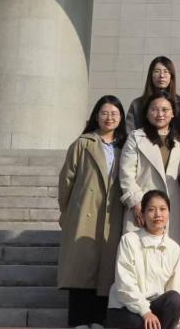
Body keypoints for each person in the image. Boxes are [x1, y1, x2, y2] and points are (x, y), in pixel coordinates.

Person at [57, 96, 128, 329]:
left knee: (106, 270)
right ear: (96, 115)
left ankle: (98, 319)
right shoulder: (83, 143)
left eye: (114, 113)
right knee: (81, 268)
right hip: (84, 212)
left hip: (112, 214)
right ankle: (79, 320)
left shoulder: (125, 146)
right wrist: (66, 211)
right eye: (104, 113)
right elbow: (66, 179)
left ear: (121, 118)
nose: (109, 118)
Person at [118, 94, 180, 264]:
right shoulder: (136, 137)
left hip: (171, 209)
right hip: (142, 208)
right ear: (147, 113)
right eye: (154, 109)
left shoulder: (179, 142)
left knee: (167, 261)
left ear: (173, 113)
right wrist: (136, 203)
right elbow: (126, 173)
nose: (160, 114)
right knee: (138, 260)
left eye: (165, 110)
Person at [106, 190, 180, 329]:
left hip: (155, 308)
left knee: (175, 299)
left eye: (163, 209)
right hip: (125, 307)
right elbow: (125, 284)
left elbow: (174, 290)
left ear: (169, 213)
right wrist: (145, 312)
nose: (158, 214)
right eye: (151, 210)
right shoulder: (129, 240)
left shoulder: (174, 248)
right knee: (142, 325)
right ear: (142, 214)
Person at [126, 57, 180, 134]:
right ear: (151, 75)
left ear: (171, 76)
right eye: (157, 71)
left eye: (166, 71)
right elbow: (129, 132)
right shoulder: (137, 104)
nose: (161, 75)